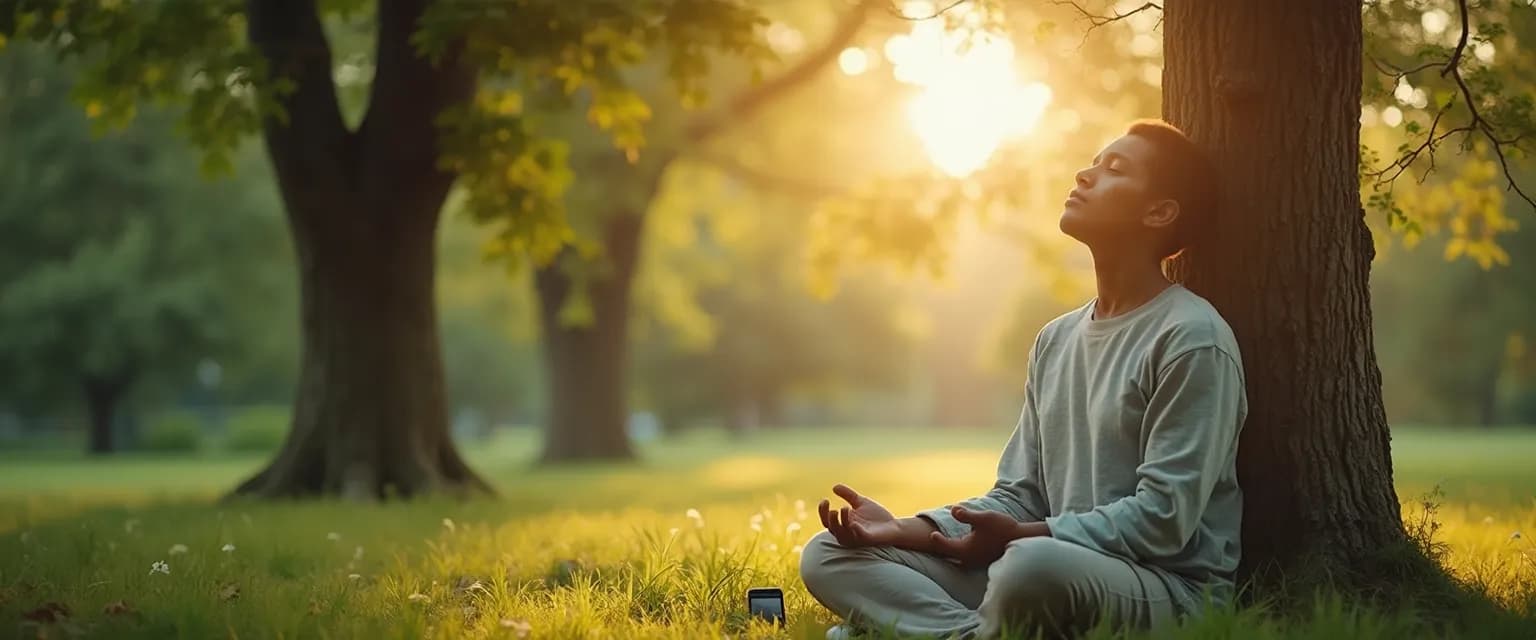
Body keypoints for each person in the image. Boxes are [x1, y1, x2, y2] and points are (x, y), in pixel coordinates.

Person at [799, 119, 1248, 639]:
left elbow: (1164, 518)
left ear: (1159, 212)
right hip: (1043, 561)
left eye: (1114, 169)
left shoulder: (1193, 337)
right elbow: (1018, 494)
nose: (1084, 174)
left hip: (1164, 588)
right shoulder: (1055, 339)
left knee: (1029, 567)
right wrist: (904, 529)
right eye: (1094, 162)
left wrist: (1026, 535)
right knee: (827, 554)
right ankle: (974, 634)